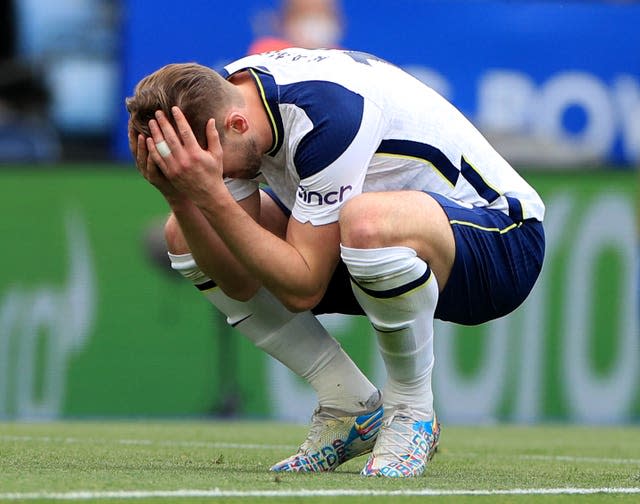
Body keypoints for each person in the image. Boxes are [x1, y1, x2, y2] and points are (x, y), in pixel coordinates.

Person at [125, 48, 545, 478]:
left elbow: (301, 287)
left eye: (213, 169)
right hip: (386, 241)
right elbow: (239, 280)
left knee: (364, 221)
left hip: (503, 241)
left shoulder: (328, 114)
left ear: (235, 125)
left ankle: (410, 411)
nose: (213, 175)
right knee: (184, 231)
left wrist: (209, 192)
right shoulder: (225, 107)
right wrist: (180, 195)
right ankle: (349, 407)